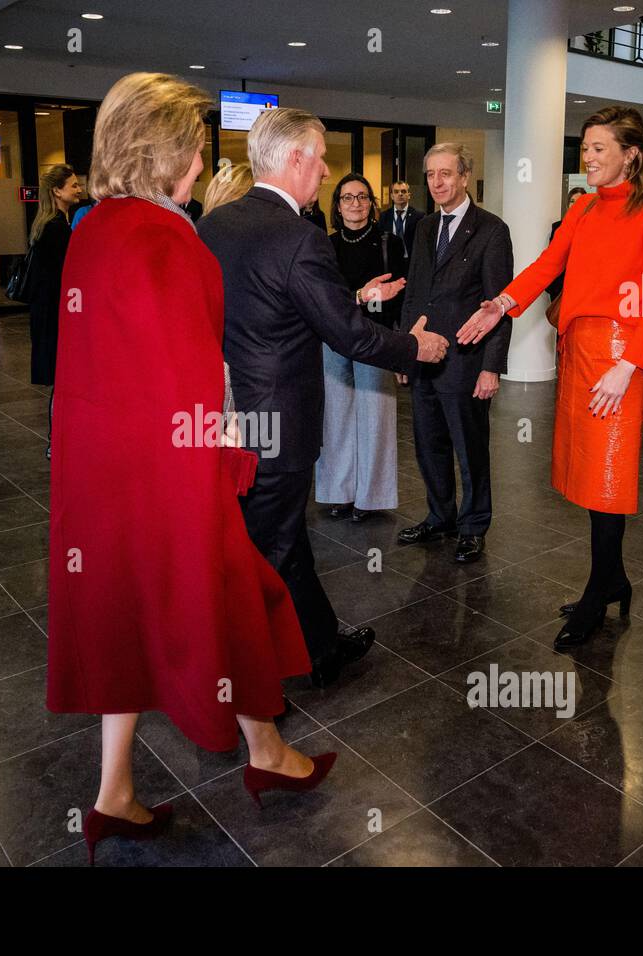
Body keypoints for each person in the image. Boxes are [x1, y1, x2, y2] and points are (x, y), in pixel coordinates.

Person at [47, 73, 337, 865]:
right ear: (167, 149)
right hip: (169, 476)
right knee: (237, 604)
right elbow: (189, 377)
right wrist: (225, 458)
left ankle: (113, 793)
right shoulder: (169, 237)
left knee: (122, 620)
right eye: (199, 143)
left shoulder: (92, 230)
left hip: (100, 471)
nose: (205, 157)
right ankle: (267, 754)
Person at [199, 107, 448, 688]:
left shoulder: (212, 228)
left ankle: (319, 645)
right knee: (271, 546)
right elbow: (349, 334)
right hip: (280, 421)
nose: (325, 169)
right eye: (318, 156)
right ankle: (250, 677)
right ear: (292, 160)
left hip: (227, 416)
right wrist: (416, 349)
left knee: (278, 535)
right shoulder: (299, 238)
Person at [457, 105, 643, 650]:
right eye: (585, 148)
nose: (588, 156)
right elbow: (546, 264)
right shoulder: (583, 207)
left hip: (621, 358)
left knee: (608, 479)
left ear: (631, 153)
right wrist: (502, 304)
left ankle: (596, 594)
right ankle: (613, 578)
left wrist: (629, 367)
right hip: (579, 354)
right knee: (588, 476)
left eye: (599, 147)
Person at [395, 143, 513, 564]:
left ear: (465, 177)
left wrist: (492, 368)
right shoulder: (425, 227)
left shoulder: (491, 231)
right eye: (430, 175)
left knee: (470, 449)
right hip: (425, 358)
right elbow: (414, 295)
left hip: (466, 362)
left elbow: (500, 305)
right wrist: (406, 352)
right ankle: (440, 516)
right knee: (428, 445)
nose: (437, 182)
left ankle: (473, 526)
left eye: (446, 173)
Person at [316, 172, 407, 522]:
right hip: (335, 338)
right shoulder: (326, 244)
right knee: (336, 419)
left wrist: (401, 348)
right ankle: (339, 493)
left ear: (372, 203)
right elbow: (324, 297)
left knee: (376, 419)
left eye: (362, 197)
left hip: (376, 338)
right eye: (347, 198)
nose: (355, 203)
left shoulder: (389, 243)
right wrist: (359, 296)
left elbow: (400, 296)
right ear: (337, 206)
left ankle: (371, 497)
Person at [26, 163, 83, 457]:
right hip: (56, 320)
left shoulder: (47, 225)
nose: (79, 189)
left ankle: (58, 440)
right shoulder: (57, 229)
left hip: (48, 317)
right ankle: (57, 442)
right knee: (62, 384)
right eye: (73, 185)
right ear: (57, 191)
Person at [547, 185, 587, 302]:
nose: (575, 205)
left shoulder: (593, 228)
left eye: (579, 201)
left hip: (582, 285)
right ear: (567, 204)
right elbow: (552, 257)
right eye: (572, 201)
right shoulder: (558, 227)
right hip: (560, 285)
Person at [376, 179, 423, 258]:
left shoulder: (418, 217)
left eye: (403, 191)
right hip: (390, 261)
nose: (400, 194)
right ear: (392, 196)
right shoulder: (384, 216)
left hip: (410, 261)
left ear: (409, 195)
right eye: (396, 192)